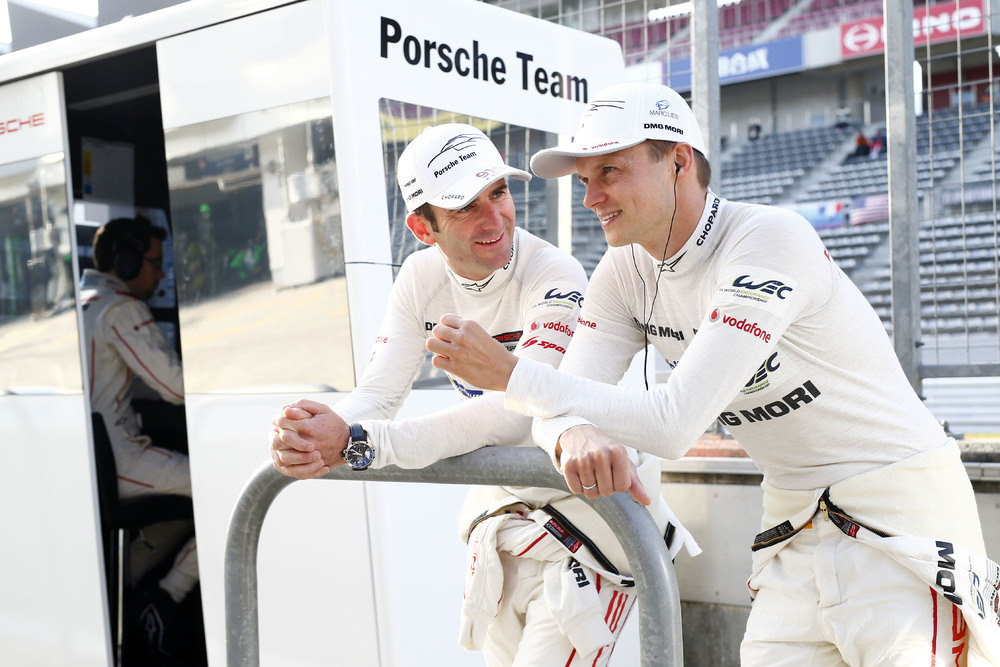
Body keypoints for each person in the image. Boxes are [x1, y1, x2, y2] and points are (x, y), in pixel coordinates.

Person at [426, 83, 1000, 665]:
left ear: (678, 160)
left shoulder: (769, 238)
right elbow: (554, 406)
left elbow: (674, 423)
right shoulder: (622, 271)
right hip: (794, 526)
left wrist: (513, 375)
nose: (591, 197)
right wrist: (571, 431)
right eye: (584, 179)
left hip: (899, 515)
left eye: (610, 171)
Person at [269, 122, 697, 666]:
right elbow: (377, 392)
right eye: (464, 207)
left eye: (498, 192)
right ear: (422, 228)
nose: (494, 218)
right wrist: (312, 429)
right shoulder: (419, 277)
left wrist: (359, 442)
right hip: (506, 522)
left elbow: (521, 413)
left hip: (593, 527)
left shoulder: (554, 271)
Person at [81, 216, 198, 665]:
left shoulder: (79, 303)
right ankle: (166, 596)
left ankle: (132, 582)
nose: (161, 273)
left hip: (89, 461)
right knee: (222, 487)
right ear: (126, 262)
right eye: (154, 262)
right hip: (121, 461)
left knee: (181, 501)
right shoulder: (121, 309)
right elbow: (175, 386)